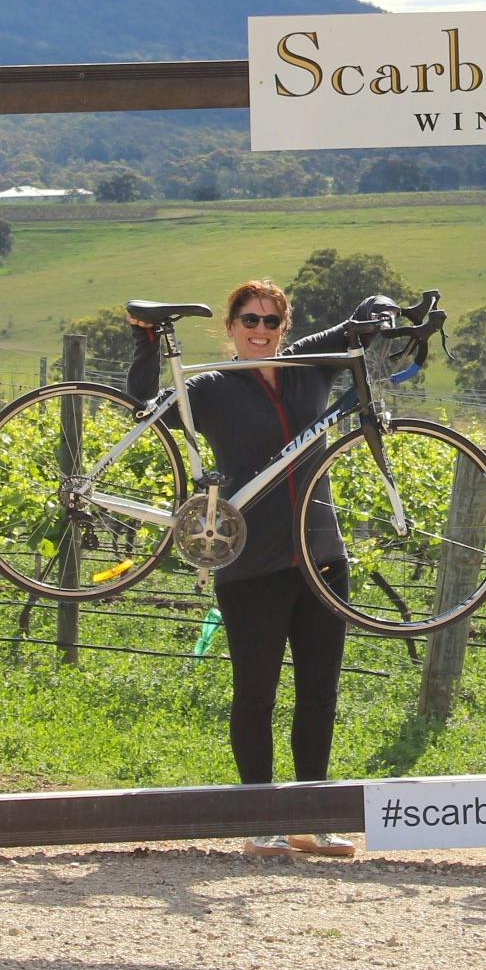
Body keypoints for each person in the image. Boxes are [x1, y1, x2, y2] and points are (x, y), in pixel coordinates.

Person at [127, 278, 367, 859]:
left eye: (271, 322)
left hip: (321, 557)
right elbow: (143, 407)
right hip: (250, 563)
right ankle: (259, 820)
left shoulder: (310, 369)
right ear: (230, 328)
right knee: (255, 694)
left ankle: (312, 822)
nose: (260, 331)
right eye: (249, 321)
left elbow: (355, 328)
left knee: (319, 693)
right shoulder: (212, 386)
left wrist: (383, 311)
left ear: (285, 328)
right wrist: (143, 345)